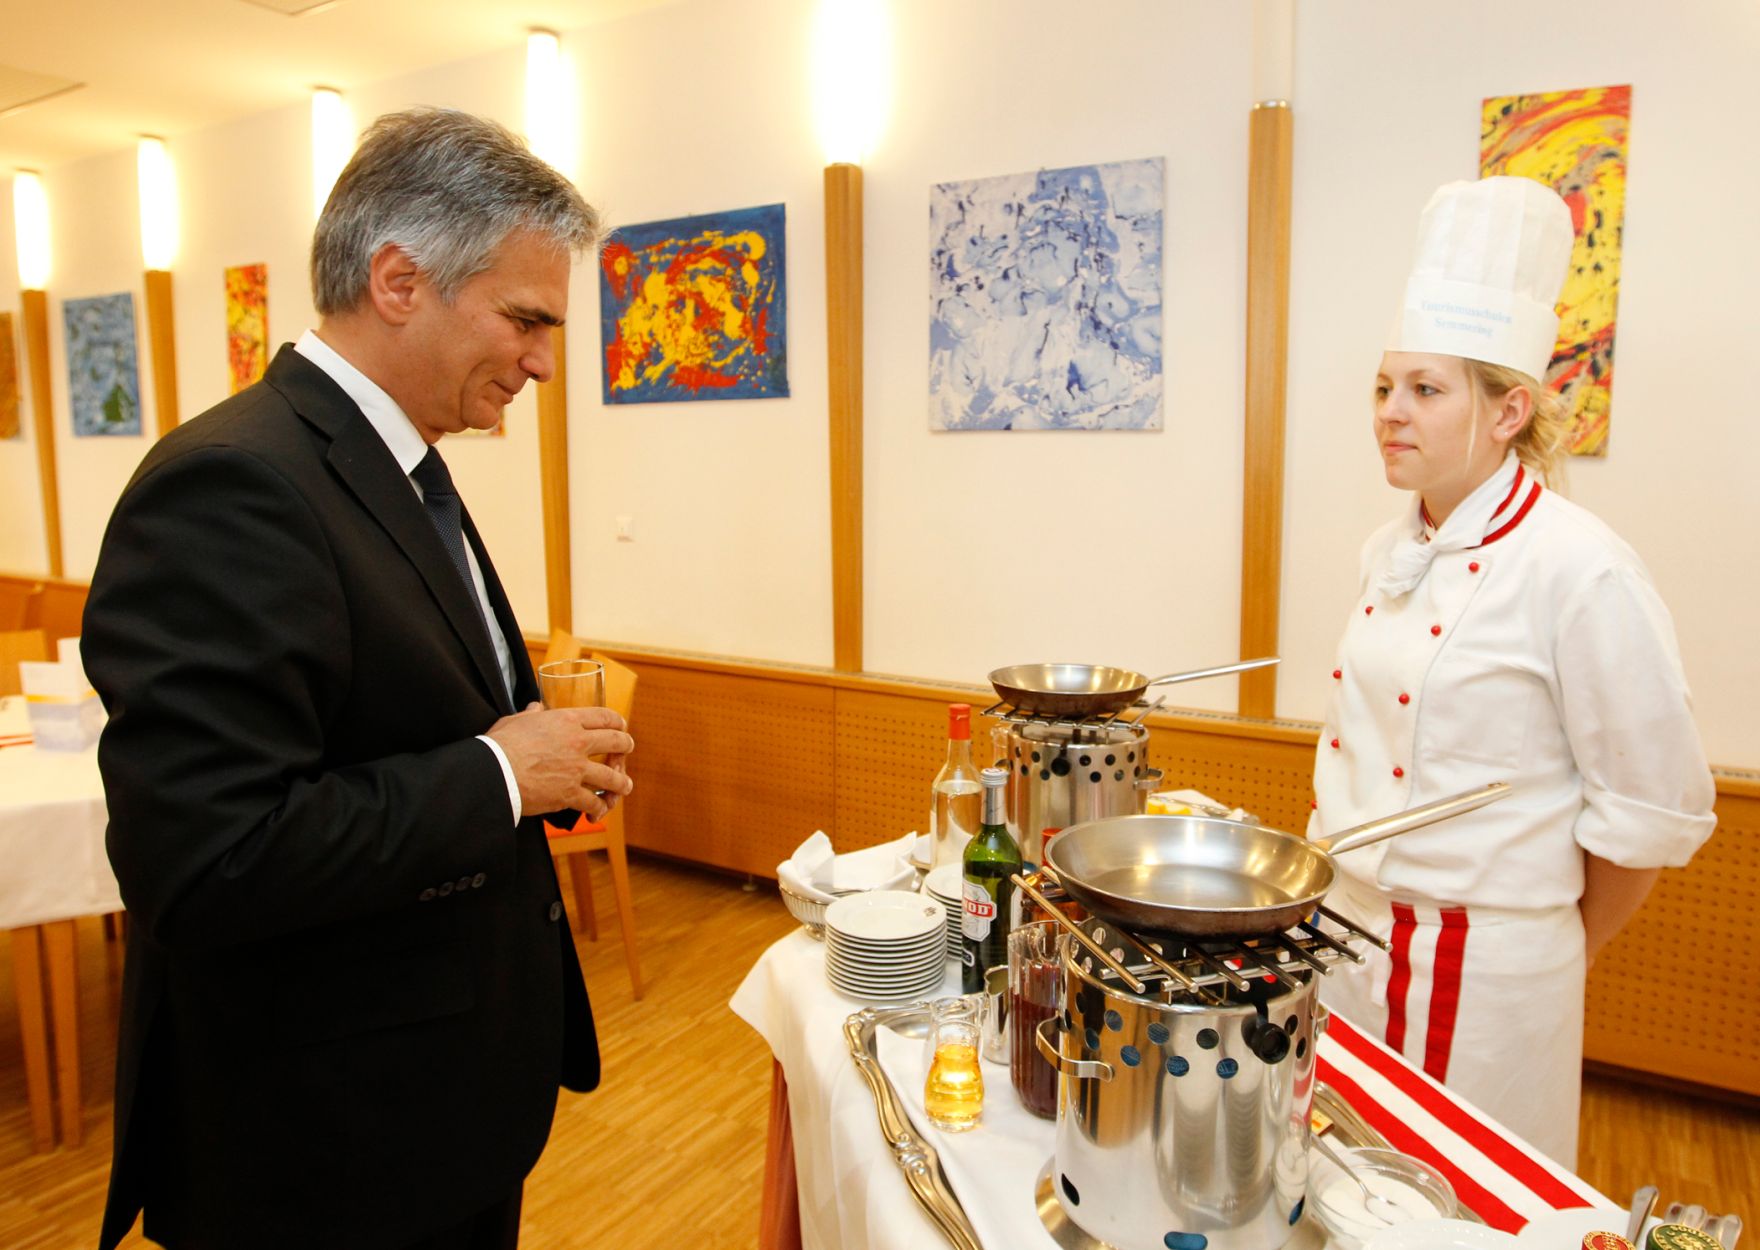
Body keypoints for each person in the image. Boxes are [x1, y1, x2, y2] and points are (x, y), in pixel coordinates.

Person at [82, 107, 633, 1250]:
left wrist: (531, 752)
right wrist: (494, 773)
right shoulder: (233, 483)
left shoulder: (399, 461)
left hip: (440, 1099)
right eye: (525, 319)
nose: (541, 359)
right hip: (325, 1145)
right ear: (397, 280)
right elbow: (206, 861)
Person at [1309, 176, 1715, 1169]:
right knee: (1334, 1187)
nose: (1388, 413)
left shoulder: (1579, 566)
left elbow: (1647, 808)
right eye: (1380, 386)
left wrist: (1537, 944)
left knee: (1460, 1205)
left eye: (1423, 389)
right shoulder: (1384, 548)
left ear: (1508, 410)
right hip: (1347, 935)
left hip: (1487, 977)